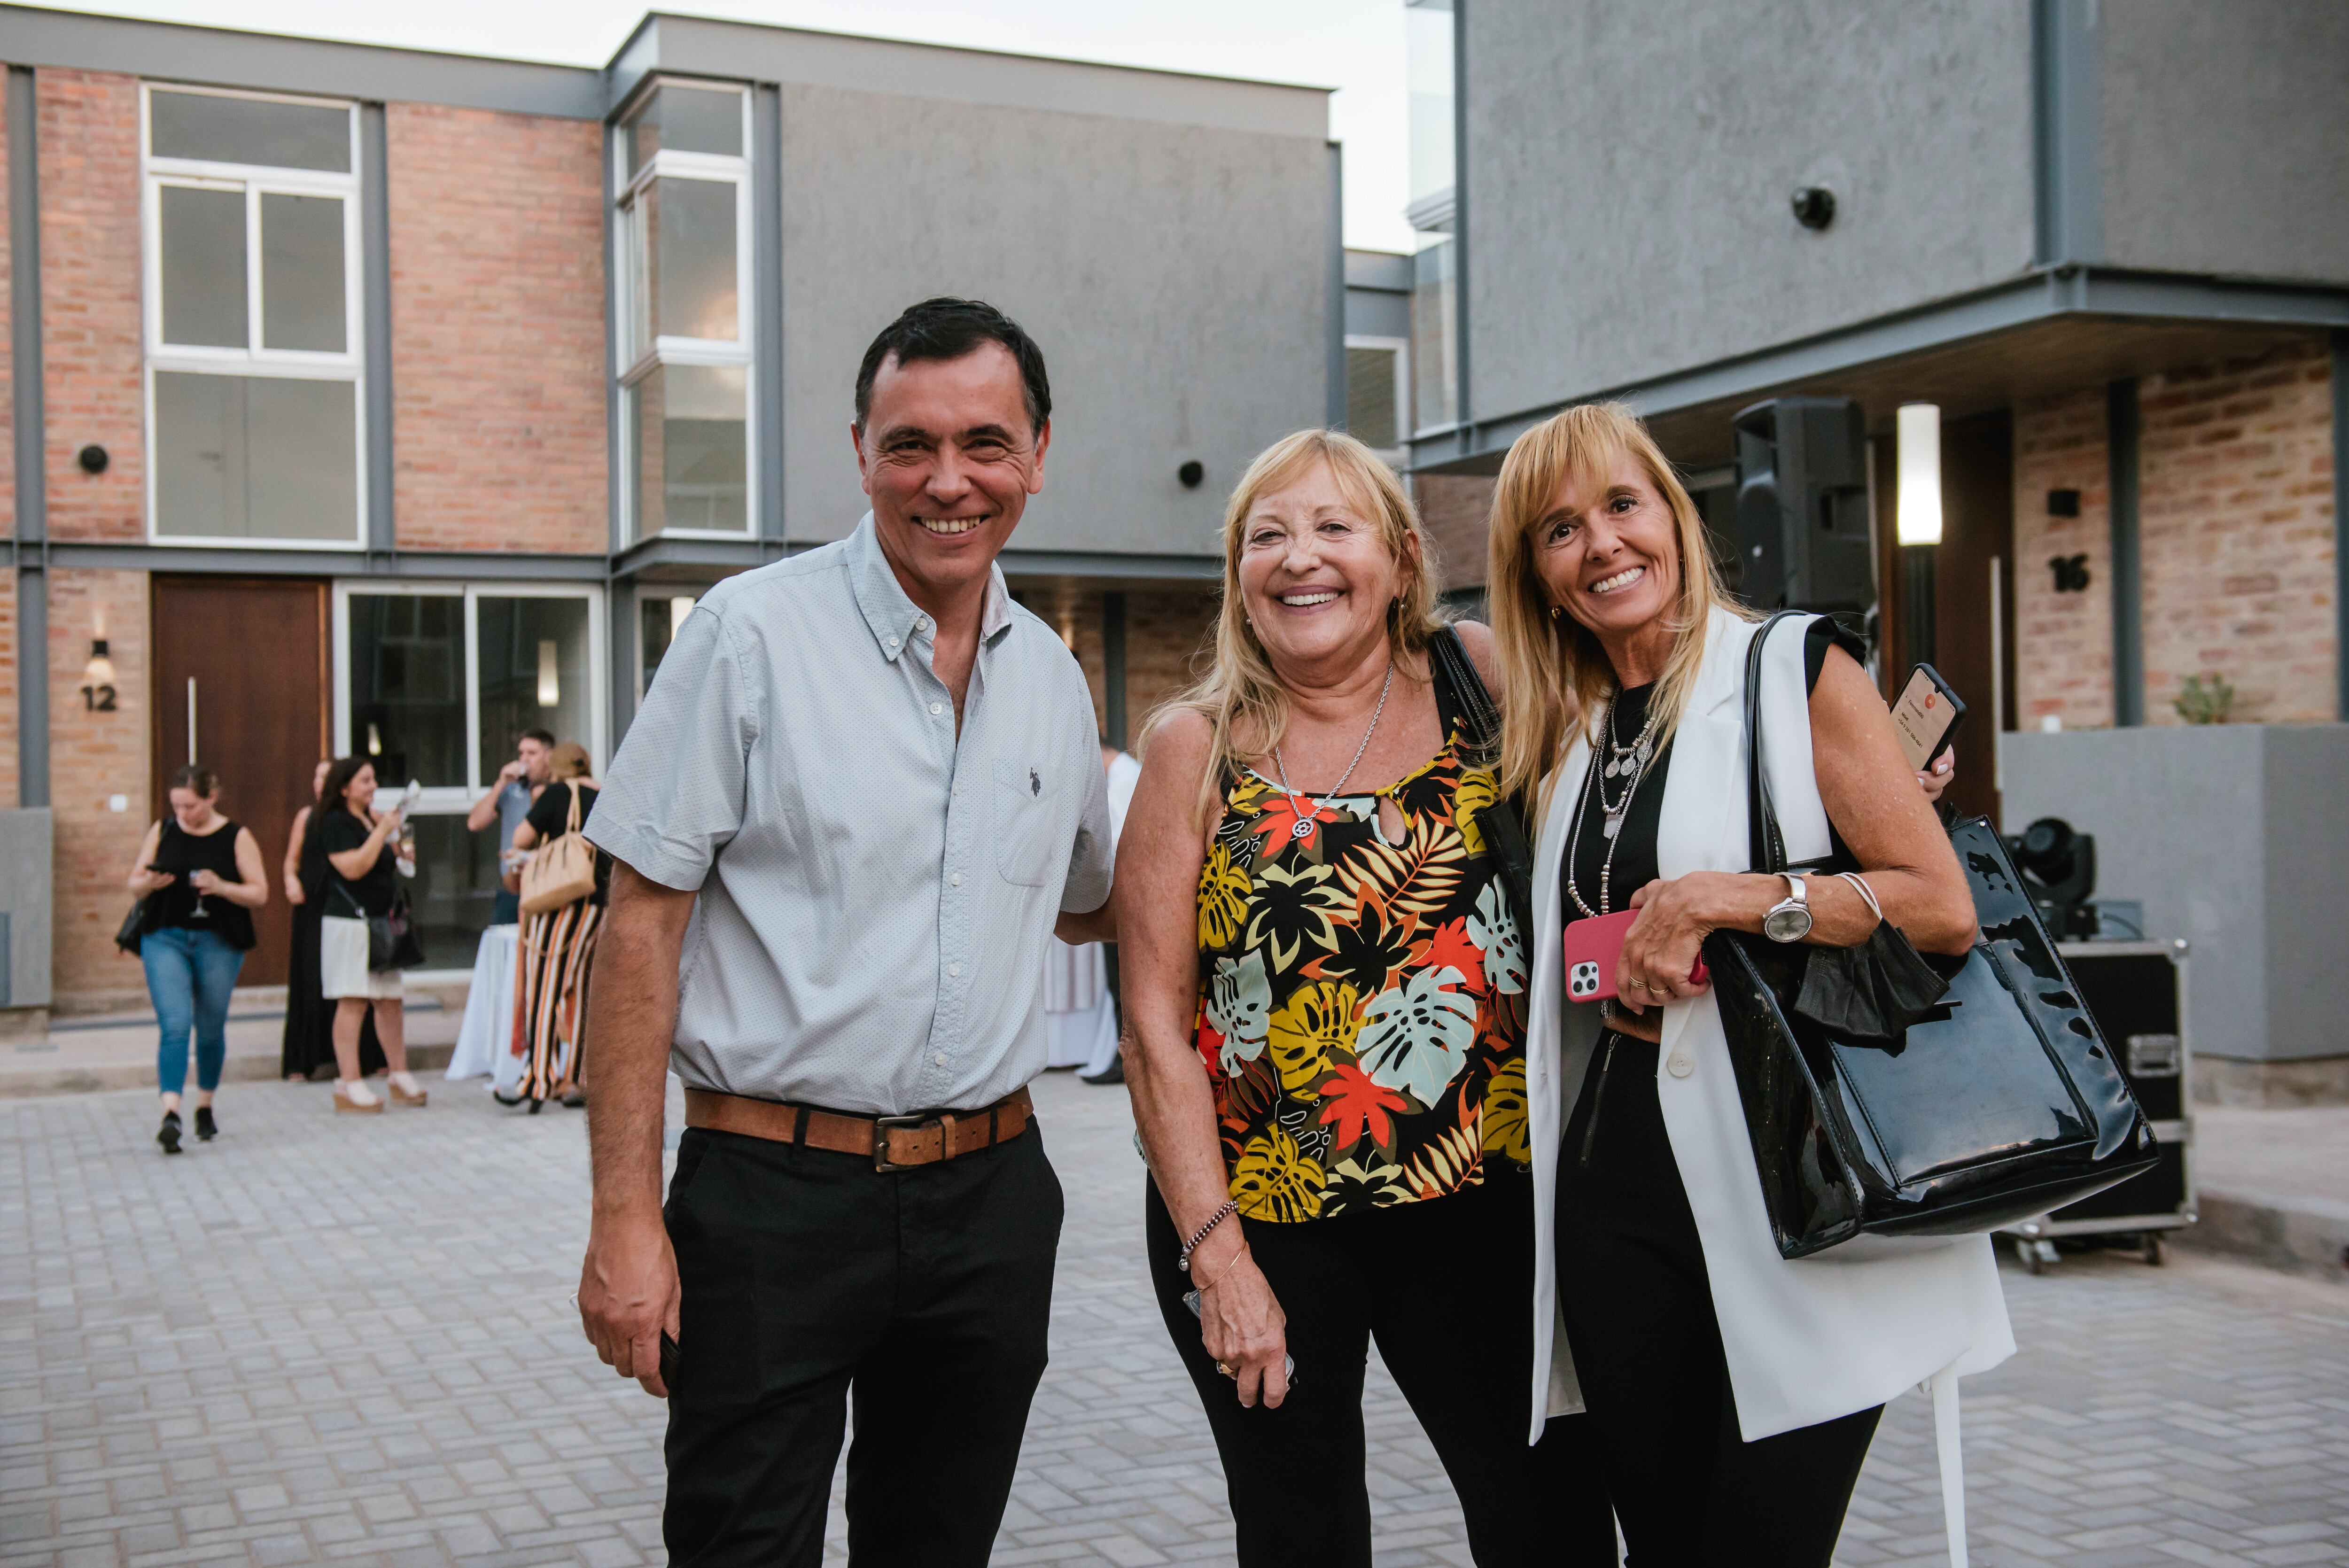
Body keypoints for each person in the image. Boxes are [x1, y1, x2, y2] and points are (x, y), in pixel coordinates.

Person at [575, 296, 1112, 1567]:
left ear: (1040, 450)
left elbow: (1088, 899)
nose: (948, 481)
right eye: (908, 443)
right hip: (771, 1200)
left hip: (990, 1200)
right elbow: (637, 926)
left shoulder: (1052, 677)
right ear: (858, 449)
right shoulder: (747, 636)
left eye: (986, 443)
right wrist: (623, 1219)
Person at [1486, 403, 2010, 1565]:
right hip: (1614, 1196)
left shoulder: (1794, 667)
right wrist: (1614, 965)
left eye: (1622, 504)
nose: (1601, 543)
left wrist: (1733, 895)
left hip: (1797, 1183)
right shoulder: (1563, 732)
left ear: (1672, 514)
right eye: (1560, 528)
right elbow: (1592, 937)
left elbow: (1940, 906)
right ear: (1538, 572)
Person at [1115, 428, 1615, 1567]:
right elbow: (1152, 1024)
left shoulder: (1479, 675)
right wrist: (1218, 1259)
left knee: (1550, 1516)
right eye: (1267, 535)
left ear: (1398, 558)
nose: (1301, 558)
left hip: (1480, 1196)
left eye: (1333, 527)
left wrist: (1853, 767)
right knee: (1301, 1532)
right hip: (1260, 1211)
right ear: (1238, 573)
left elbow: (1641, 770)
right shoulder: (1192, 746)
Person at [126, 765, 269, 1154]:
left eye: (190, 806)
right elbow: (133, 883)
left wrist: (221, 887)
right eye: (177, 806)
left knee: (210, 1025)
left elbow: (260, 894)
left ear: (211, 798)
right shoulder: (164, 830)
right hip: (165, 937)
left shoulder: (236, 837)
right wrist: (149, 883)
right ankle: (170, 1112)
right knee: (175, 1023)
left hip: (217, 940)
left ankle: (205, 1105)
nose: (183, 814)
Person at [315, 757, 429, 1114]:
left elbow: (390, 862)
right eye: (365, 781)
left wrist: (399, 843)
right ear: (345, 787)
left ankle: (399, 1073)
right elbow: (352, 868)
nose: (373, 786)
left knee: (390, 1000)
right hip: (350, 922)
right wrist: (382, 833)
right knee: (353, 1000)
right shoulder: (336, 822)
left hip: (382, 922)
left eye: (374, 779)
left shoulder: (372, 818)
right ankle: (348, 1083)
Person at [506, 741, 608, 1110]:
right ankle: (575, 1078)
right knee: (579, 988)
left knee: (546, 987)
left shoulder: (556, 794)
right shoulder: (605, 795)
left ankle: (538, 1078)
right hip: (595, 904)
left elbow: (520, 840)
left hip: (557, 904)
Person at [281, 759, 383, 1082]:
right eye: (316, 776)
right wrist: (291, 881)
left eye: (325, 777)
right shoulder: (308, 817)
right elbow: (292, 860)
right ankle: (304, 1059)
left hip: (348, 904)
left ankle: (367, 1058)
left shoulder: (367, 820)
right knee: (312, 978)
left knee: (357, 986)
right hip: (313, 906)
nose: (318, 782)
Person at [1078, 741, 1143, 1084]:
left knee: (1121, 983)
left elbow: (1117, 841)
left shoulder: (1122, 781)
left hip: (1121, 896)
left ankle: (1121, 1062)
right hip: (1122, 894)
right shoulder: (1124, 776)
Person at [467, 729, 555, 926]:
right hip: (512, 888)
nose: (524, 759)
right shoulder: (512, 790)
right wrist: (501, 783)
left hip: (551, 887)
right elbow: (475, 823)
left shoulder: (561, 792)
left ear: (550, 757)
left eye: (532, 754)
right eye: (521, 753)